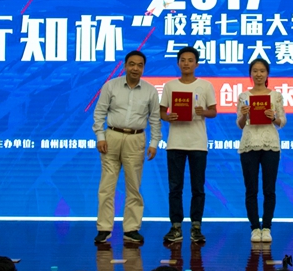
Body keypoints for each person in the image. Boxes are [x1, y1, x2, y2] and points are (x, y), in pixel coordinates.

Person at [92, 50, 162, 244]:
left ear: (143, 68)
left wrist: (154, 143)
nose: (135, 68)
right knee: (106, 186)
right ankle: (104, 228)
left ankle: (131, 229)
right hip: (111, 137)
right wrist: (100, 136)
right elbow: (99, 113)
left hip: (136, 139)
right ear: (125, 66)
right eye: (132, 64)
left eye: (140, 65)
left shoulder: (150, 90)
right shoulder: (111, 85)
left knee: (133, 186)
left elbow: (155, 119)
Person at [160, 46, 217, 243]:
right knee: (175, 188)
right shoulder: (170, 86)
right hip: (175, 143)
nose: (186, 63)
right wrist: (168, 117)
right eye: (183, 60)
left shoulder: (205, 85)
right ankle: (176, 227)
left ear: (196, 64)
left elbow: (213, 111)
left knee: (197, 188)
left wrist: (203, 112)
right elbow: (162, 112)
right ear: (178, 63)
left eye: (190, 60)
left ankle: (196, 227)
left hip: (198, 144)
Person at [236, 58, 286, 243]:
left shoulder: (275, 96)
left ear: (267, 73)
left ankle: (267, 227)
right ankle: (255, 228)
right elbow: (240, 124)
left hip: (270, 144)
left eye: (262, 71)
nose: (258, 74)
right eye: (255, 71)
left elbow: (282, 121)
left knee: (269, 189)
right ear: (250, 73)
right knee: (251, 189)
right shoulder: (244, 96)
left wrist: (273, 117)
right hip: (249, 144)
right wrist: (244, 115)